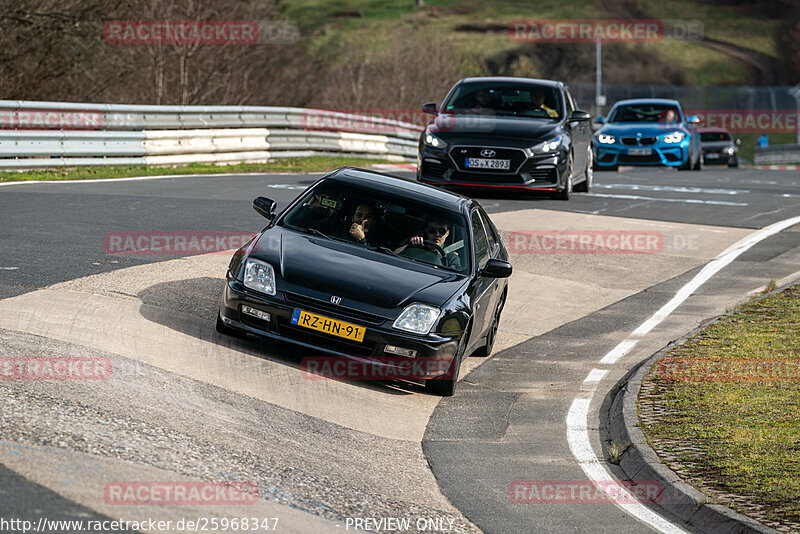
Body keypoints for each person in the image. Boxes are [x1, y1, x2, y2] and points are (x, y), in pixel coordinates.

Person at [292, 193, 375, 245]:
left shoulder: (381, 237)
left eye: (368, 217)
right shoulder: (335, 224)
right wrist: (310, 207)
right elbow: (299, 225)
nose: (362, 220)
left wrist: (361, 239)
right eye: (359, 215)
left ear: (374, 220)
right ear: (353, 217)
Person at [395, 216, 461, 270]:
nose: (437, 234)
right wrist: (409, 246)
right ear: (426, 231)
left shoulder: (451, 257)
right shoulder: (416, 244)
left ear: (447, 233)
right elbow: (393, 255)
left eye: (442, 231)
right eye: (432, 230)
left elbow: (453, 277)